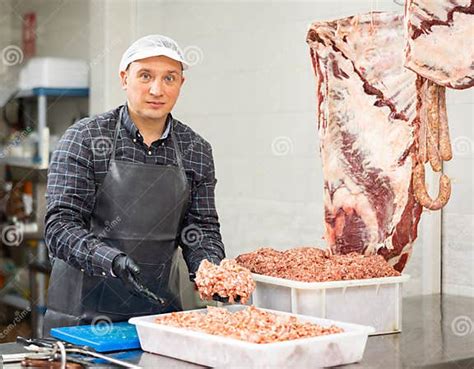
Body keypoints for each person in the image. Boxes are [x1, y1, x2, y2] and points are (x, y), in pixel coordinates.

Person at [43, 35, 226, 334]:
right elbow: (60, 227)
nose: (157, 89)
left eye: (169, 78)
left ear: (182, 83)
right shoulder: (85, 139)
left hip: (158, 317)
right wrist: (113, 261)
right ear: (124, 78)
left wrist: (209, 269)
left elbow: (201, 229)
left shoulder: (196, 149)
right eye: (145, 76)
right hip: (81, 320)